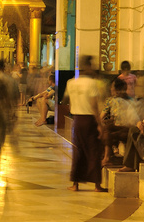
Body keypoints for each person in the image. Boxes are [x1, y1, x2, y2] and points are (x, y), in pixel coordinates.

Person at [65, 54, 105, 192]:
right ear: (88, 67)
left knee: (78, 150)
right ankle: (97, 185)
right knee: (94, 151)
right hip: (89, 120)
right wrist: (99, 124)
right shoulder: (92, 83)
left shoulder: (70, 82)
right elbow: (94, 105)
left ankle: (75, 184)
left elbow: (67, 101)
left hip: (77, 120)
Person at [101, 77, 138, 166]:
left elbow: (101, 117)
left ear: (115, 89)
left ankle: (107, 157)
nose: (111, 89)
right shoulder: (132, 100)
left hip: (121, 130)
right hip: (131, 128)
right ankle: (108, 156)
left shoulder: (111, 100)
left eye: (112, 87)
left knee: (105, 130)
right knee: (108, 129)